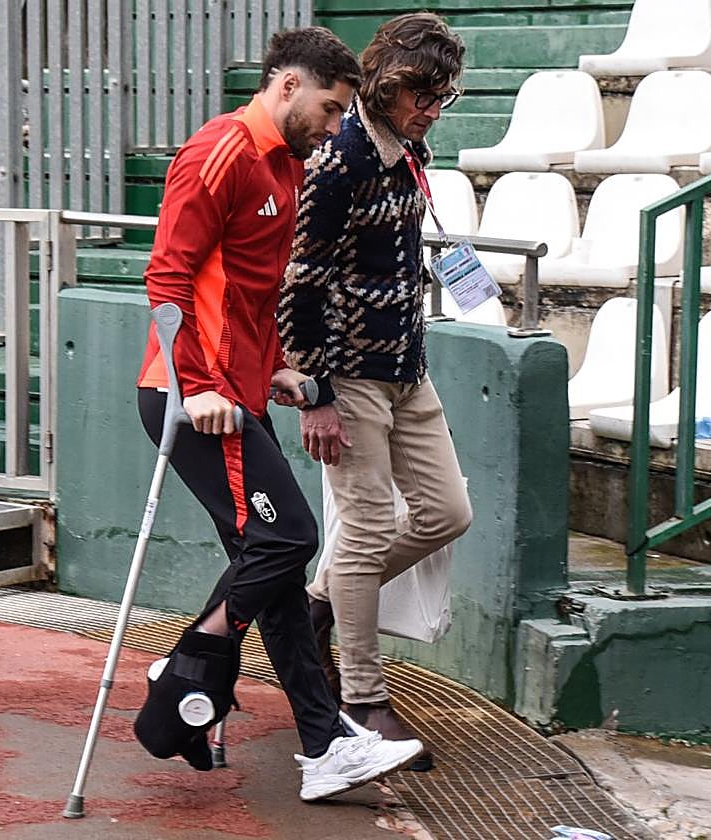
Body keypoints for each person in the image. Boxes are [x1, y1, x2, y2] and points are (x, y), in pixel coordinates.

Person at [131, 27, 424, 802]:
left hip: (239, 392)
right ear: (288, 85)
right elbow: (169, 277)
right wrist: (197, 387)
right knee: (289, 534)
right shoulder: (222, 151)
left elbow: (252, 298)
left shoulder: (289, 166)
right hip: (193, 399)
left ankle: (325, 745)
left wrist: (283, 373)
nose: (335, 129)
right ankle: (191, 660)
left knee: (283, 574)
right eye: (330, 111)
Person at [278, 13, 474, 772]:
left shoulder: (411, 147)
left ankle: (320, 604)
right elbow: (300, 285)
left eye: (441, 97)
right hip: (350, 376)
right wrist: (317, 392)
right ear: (388, 85)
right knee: (362, 531)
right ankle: (360, 698)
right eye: (421, 95)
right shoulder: (340, 159)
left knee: (446, 512)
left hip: (407, 368)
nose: (430, 109)